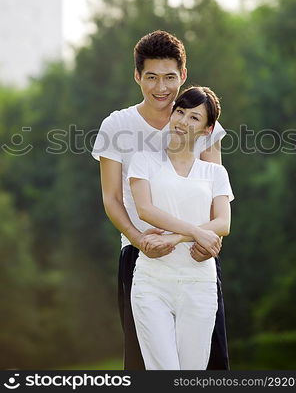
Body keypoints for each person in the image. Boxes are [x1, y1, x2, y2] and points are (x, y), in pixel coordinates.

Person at [91, 30, 229, 369]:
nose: (161, 87)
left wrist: (207, 241)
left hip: (197, 258)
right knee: (146, 366)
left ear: (183, 75)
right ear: (137, 76)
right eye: (151, 77)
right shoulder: (117, 125)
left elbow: (216, 195)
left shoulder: (202, 122)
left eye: (169, 77)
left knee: (207, 366)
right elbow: (111, 198)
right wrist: (139, 240)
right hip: (141, 258)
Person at [128, 86, 234, 370]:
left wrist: (177, 237)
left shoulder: (215, 172)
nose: (182, 122)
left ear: (207, 129)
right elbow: (145, 210)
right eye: (180, 112)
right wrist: (199, 232)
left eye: (194, 118)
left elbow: (223, 223)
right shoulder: (144, 160)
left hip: (199, 283)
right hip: (153, 281)